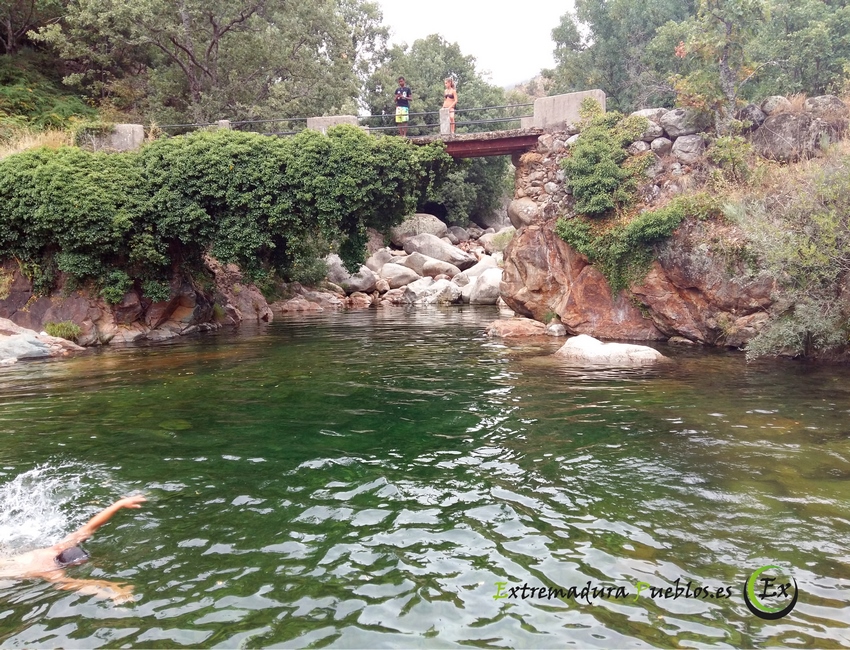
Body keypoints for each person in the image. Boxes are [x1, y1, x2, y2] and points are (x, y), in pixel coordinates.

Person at [0, 495, 147, 602]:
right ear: (72, 564)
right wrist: (113, 593)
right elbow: (77, 585)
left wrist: (119, 504)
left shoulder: (56, 548)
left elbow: (89, 528)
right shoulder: (52, 572)